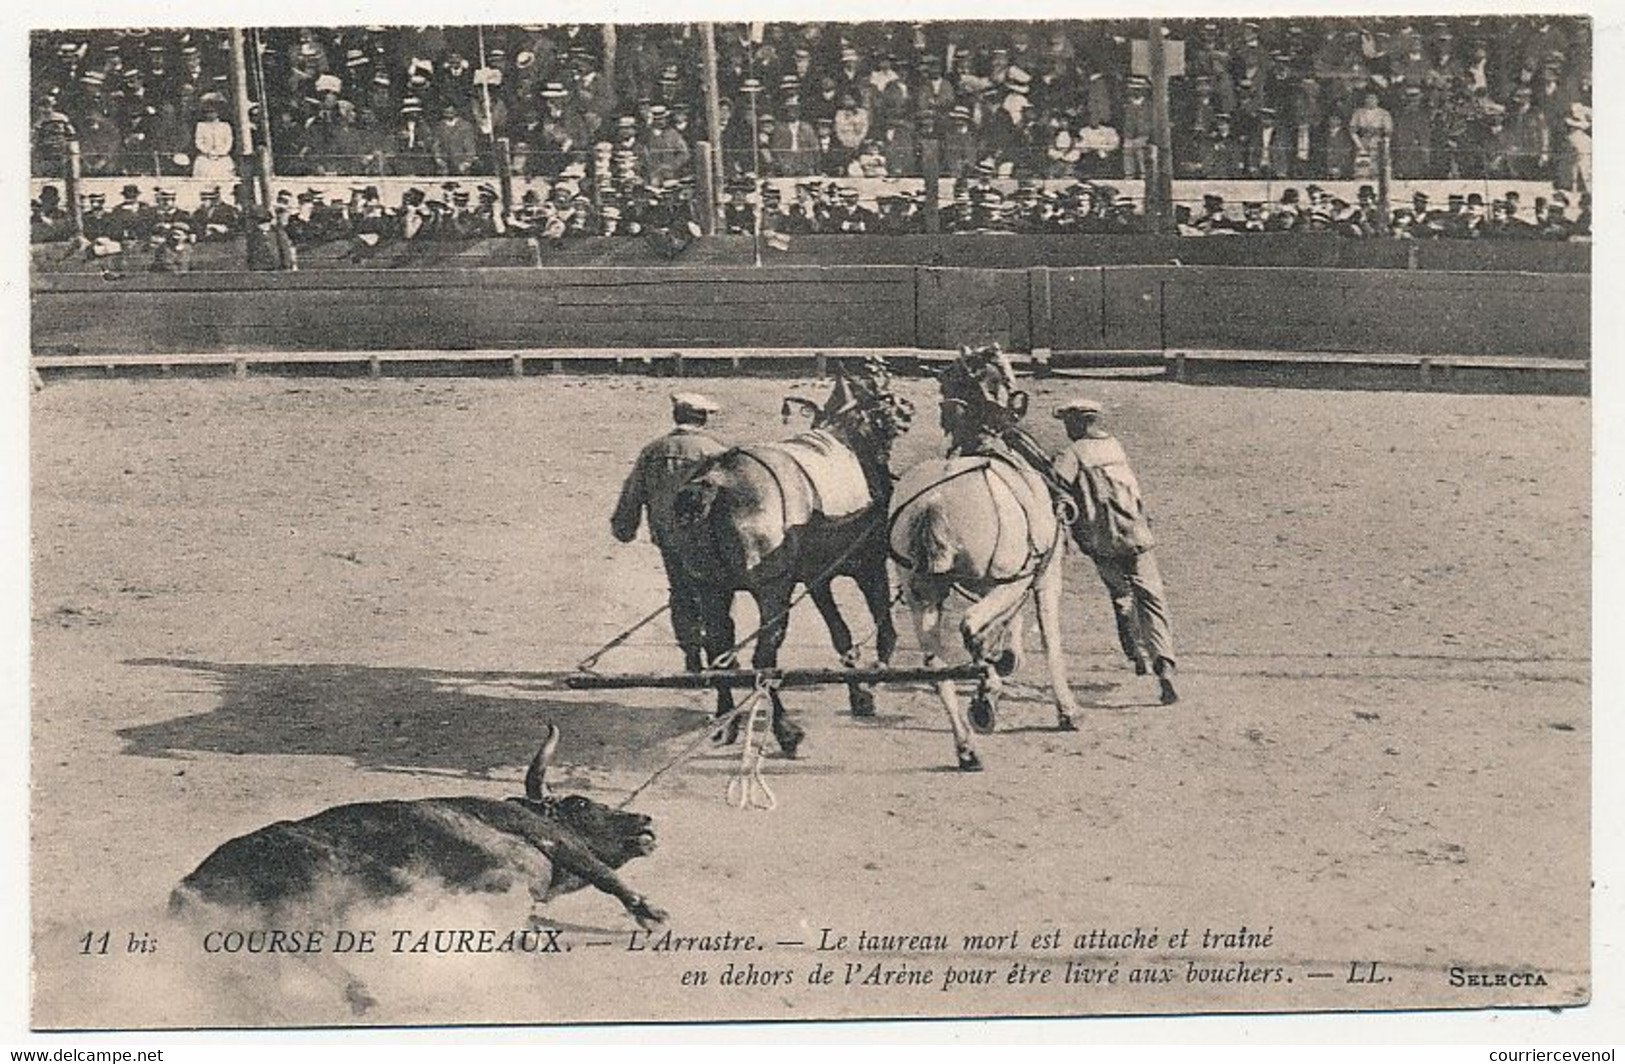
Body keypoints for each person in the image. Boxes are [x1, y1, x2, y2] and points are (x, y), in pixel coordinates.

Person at [1051, 398, 1179, 705]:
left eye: (1069, 422)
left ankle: (1137, 653)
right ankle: (1165, 665)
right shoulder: (1115, 446)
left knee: (1121, 597)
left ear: (1080, 423)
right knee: (1151, 597)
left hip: (1103, 541)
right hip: (1136, 533)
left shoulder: (1073, 453)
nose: (1067, 428)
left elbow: (1056, 485)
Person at [611, 393, 729, 673]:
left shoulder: (653, 450)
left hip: (668, 537)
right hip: (707, 537)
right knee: (713, 593)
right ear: (703, 419)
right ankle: (718, 655)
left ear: (676, 417)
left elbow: (633, 491)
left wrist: (624, 527)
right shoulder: (715, 451)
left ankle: (691, 654)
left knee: (680, 592)